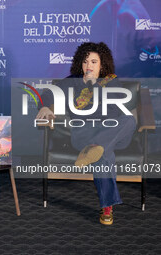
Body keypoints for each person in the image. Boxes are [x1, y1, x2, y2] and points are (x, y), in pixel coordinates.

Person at [36, 42, 136, 225]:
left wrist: (94, 86)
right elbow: (48, 93)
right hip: (84, 133)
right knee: (103, 154)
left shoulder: (111, 81)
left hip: (111, 132)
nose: (88, 66)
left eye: (93, 61)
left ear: (102, 64)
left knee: (129, 120)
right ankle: (107, 207)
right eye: (85, 61)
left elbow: (112, 112)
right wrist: (44, 105)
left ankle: (95, 147)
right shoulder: (71, 82)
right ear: (79, 64)